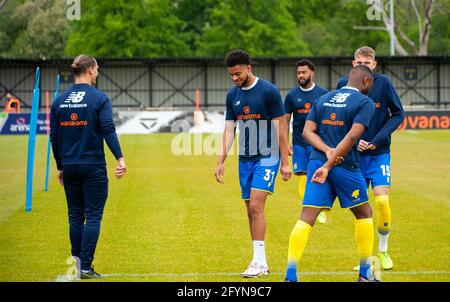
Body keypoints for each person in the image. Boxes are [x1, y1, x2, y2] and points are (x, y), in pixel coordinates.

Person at [284, 65, 377, 282]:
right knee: (364, 213)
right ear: (365, 81)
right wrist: (330, 163)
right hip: (344, 167)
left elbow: (307, 131)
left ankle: (290, 275)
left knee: (306, 217)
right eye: (370, 83)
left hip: (317, 163)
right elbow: (353, 136)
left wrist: (326, 153)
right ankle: (365, 274)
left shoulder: (324, 98)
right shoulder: (365, 102)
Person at [214, 50, 292, 278]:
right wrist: (220, 161)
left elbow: (280, 128)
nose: (235, 78)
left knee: (257, 206)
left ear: (248, 67)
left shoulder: (269, 91)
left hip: (268, 157)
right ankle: (261, 262)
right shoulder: (232, 95)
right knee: (250, 210)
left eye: (238, 74)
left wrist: (285, 163)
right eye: (231, 75)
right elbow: (230, 129)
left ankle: (257, 263)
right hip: (245, 159)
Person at [50, 55, 127, 279]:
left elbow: (54, 137)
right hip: (93, 166)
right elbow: (107, 128)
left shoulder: (59, 101)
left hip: (70, 166)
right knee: (93, 216)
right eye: (98, 69)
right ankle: (86, 267)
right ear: (91, 70)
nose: (98, 72)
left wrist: (60, 166)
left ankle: (77, 266)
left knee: (75, 217)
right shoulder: (99, 98)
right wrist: (119, 157)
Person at [336, 46, 405, 270]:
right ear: (353, 64)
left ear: (374, 65)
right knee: (360, 208)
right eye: (359, 63)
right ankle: (365, 259)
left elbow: (398, 114)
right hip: (354, 156)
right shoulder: (343, 85)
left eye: (368, 63)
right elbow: (338, 120)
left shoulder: (383, 83)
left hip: (378, 154)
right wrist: (354, 142)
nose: (364, 66)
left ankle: (383, 251)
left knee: (382, 201)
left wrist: (376, 139)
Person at [283, 59, 328, 223]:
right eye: (298, 73)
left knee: (316, 175)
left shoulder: (323, 94)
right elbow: (286, 120)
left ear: (312, 73)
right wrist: (286, 142)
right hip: (299, 143)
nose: (301, 75)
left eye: (304, 72)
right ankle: (313, 208)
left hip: (317, 143)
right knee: (302, 175)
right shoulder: (292, 96)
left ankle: (319, 207)